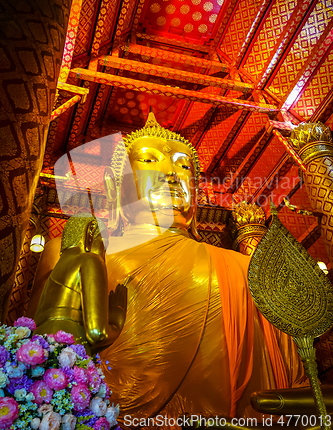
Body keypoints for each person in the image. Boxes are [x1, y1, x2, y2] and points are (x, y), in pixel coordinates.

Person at [100, 112, 304, 426]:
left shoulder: (245, 269)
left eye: (184, 166)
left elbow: (290, 382)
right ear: (118, 186)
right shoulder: (89, 256)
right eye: (148, 160)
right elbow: (49, 353)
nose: (171, 173)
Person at [34, 215, 127, 355]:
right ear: (91, 232)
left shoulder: (56, 270)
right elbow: (97, 334)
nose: (104, 253)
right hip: (68, 355)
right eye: (103, 244)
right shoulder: (90, 259)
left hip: (36, 350)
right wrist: (116, 321)